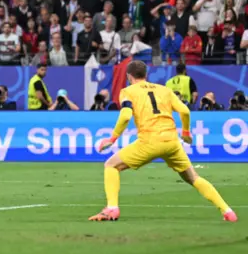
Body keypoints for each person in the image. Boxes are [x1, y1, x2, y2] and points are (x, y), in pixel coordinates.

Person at [90, 60, 236, 222]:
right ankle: (227, 211)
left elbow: (125, 115)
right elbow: (185, 111)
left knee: (111, 165)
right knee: (193, 178)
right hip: (172, 142)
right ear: (146, 75)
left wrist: (112, 138)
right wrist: (186, 133)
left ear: (129, 76)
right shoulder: (164, 90)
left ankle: (112, 208)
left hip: (149, 141)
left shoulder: (128, 91)